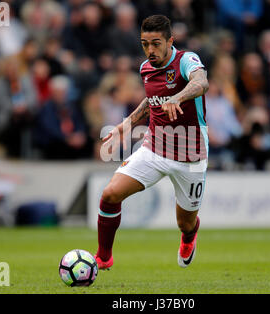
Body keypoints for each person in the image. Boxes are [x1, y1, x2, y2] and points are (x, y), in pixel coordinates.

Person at [95, 15, 209, 269]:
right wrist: (129, 123)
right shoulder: (146, 68)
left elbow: (201, 82)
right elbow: (152, 99)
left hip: (190, 154)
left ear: (170, 40)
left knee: (185, 223)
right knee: (110, 194)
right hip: (154, 147)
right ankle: (103, 258)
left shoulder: (186, 60)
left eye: (156, 43)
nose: (150, 50)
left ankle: (189, 236)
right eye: (145, 44)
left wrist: (178, 97)